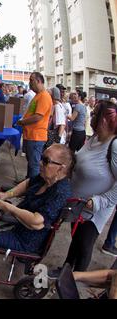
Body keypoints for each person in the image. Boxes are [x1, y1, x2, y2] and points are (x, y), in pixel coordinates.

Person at [54, 101, 117, 273]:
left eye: (95, 114)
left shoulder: (114, 145)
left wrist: (99, 201)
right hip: (78, 203)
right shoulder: (95, 138)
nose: (91, 117)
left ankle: (74, 280)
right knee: (75, 238)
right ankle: (65, 270)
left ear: (104, 120)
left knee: (84, 244)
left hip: (95, 209)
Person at [17, 72, 52, 178]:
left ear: (38, 81)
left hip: (36, 137)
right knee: (31, 163)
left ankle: (32, 188)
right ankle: (28, 184)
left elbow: (38, 117)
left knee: (34, 164)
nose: (30, 83)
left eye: (31, 80)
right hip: (31, 135)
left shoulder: (44, 96)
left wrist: (23, 122)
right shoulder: (38, 96)